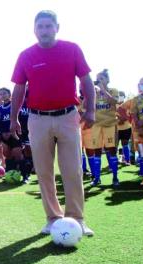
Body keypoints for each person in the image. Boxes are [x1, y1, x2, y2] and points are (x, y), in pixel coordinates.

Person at [9, 10, 95, 236]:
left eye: (49, 26)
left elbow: (86, 80)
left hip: (68, 116)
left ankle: (77, 218)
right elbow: (19, 88)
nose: (45, 31)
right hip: (38, 119)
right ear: (34, 30)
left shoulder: (72, 49)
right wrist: (13, 117)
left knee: (72, 170)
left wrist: (91, 110)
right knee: (44, 171)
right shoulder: (26, 55)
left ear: (57, 27)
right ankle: (53, 218)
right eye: (40, 27)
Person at [82, 69, 120, 187]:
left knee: (112, 150)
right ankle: (97, 178)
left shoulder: (113, 91)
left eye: (102, 78)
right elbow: (84, 106)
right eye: (97, 79)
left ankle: (115, 177)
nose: (99, 81)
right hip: (96, 125)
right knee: (97, 151)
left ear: (108, 80)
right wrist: (90, 93)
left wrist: (103, 91)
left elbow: (114, 102)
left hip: (109, 124)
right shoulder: (94, 92)